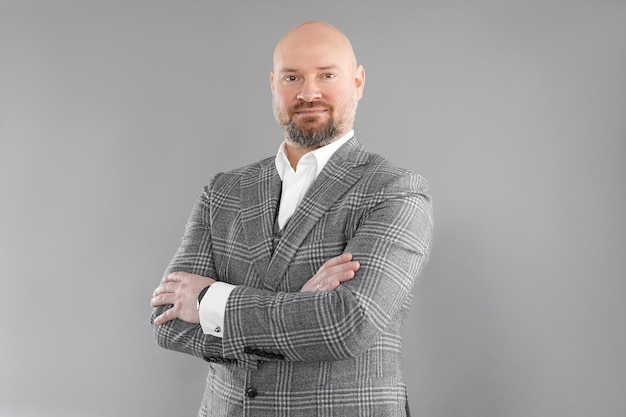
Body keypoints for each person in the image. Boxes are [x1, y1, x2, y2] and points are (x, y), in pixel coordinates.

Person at [150, 20, 433, 417]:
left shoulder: (394, 190)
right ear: (273, 84)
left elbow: (346, 325)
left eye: (326, 75)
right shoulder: (225, 190)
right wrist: (298, 310)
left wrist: (210, 302)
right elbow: (167, 321)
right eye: (292, 76)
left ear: (358, 81)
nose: (308, 92)